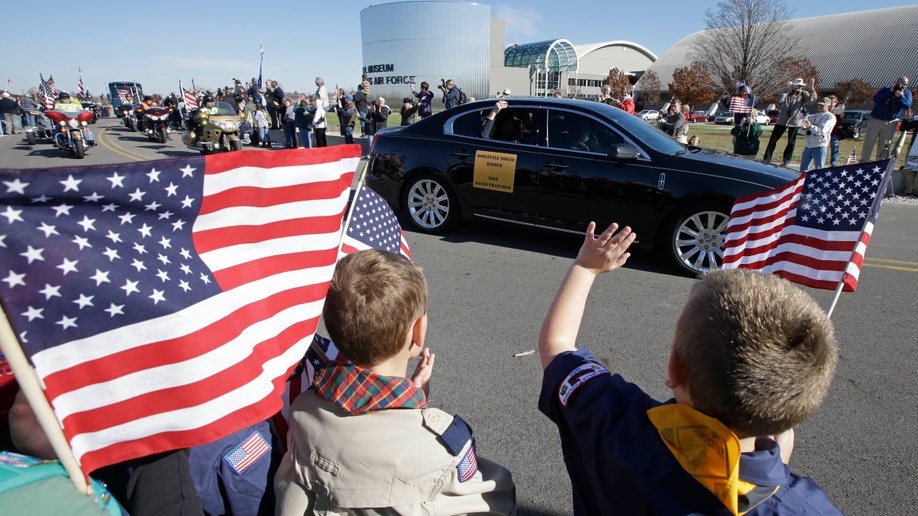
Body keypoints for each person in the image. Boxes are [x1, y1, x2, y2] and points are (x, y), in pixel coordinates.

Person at [537, 221, 842, 515]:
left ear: (674, 368)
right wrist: (778, 467)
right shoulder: (804, 508)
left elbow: (557, 346)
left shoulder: (616, 421)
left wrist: (585, 268)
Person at [274, 249, 517, 514]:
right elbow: (498, 498)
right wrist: (418, 413)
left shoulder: (302, 408)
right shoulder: (437, 447)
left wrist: (410, 404)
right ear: (418, 331)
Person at [762, 77, 817, 166]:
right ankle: (767, 158)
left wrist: (812, 88)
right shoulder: (787, 92)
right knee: (773, 139)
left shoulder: (804, 94)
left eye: (800, 86)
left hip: (795, 120)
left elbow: (812, 100)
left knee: (791, 142)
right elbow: (779, 99)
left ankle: (787, 160)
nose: (798, 88)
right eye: (797, 86)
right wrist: (787, 90)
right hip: (782, 120)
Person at [861, 76, 912, 162]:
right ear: (896, 82)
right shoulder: (886, 89)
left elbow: (907, 106)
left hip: (890, 122)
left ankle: (880, 164)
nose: (901, 85)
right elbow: (876, 99)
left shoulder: (907, 93)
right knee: (869, 142)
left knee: (885, 145)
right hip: (876, 120)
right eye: (900, 83)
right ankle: (863, 163)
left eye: (904, 84)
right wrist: (890, 91)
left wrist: (901, 97)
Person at [799, 97, 837, 172]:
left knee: (818, 169)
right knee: (803, 169)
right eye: (819, 105)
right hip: (808, 145)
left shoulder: (830, 117)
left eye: (822, 105)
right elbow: (801, 130)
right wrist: (804, 128)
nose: (820, 107)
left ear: (828, 106)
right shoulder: (812, 116)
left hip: (819, 146)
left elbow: (822, 131)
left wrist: (810, 126)